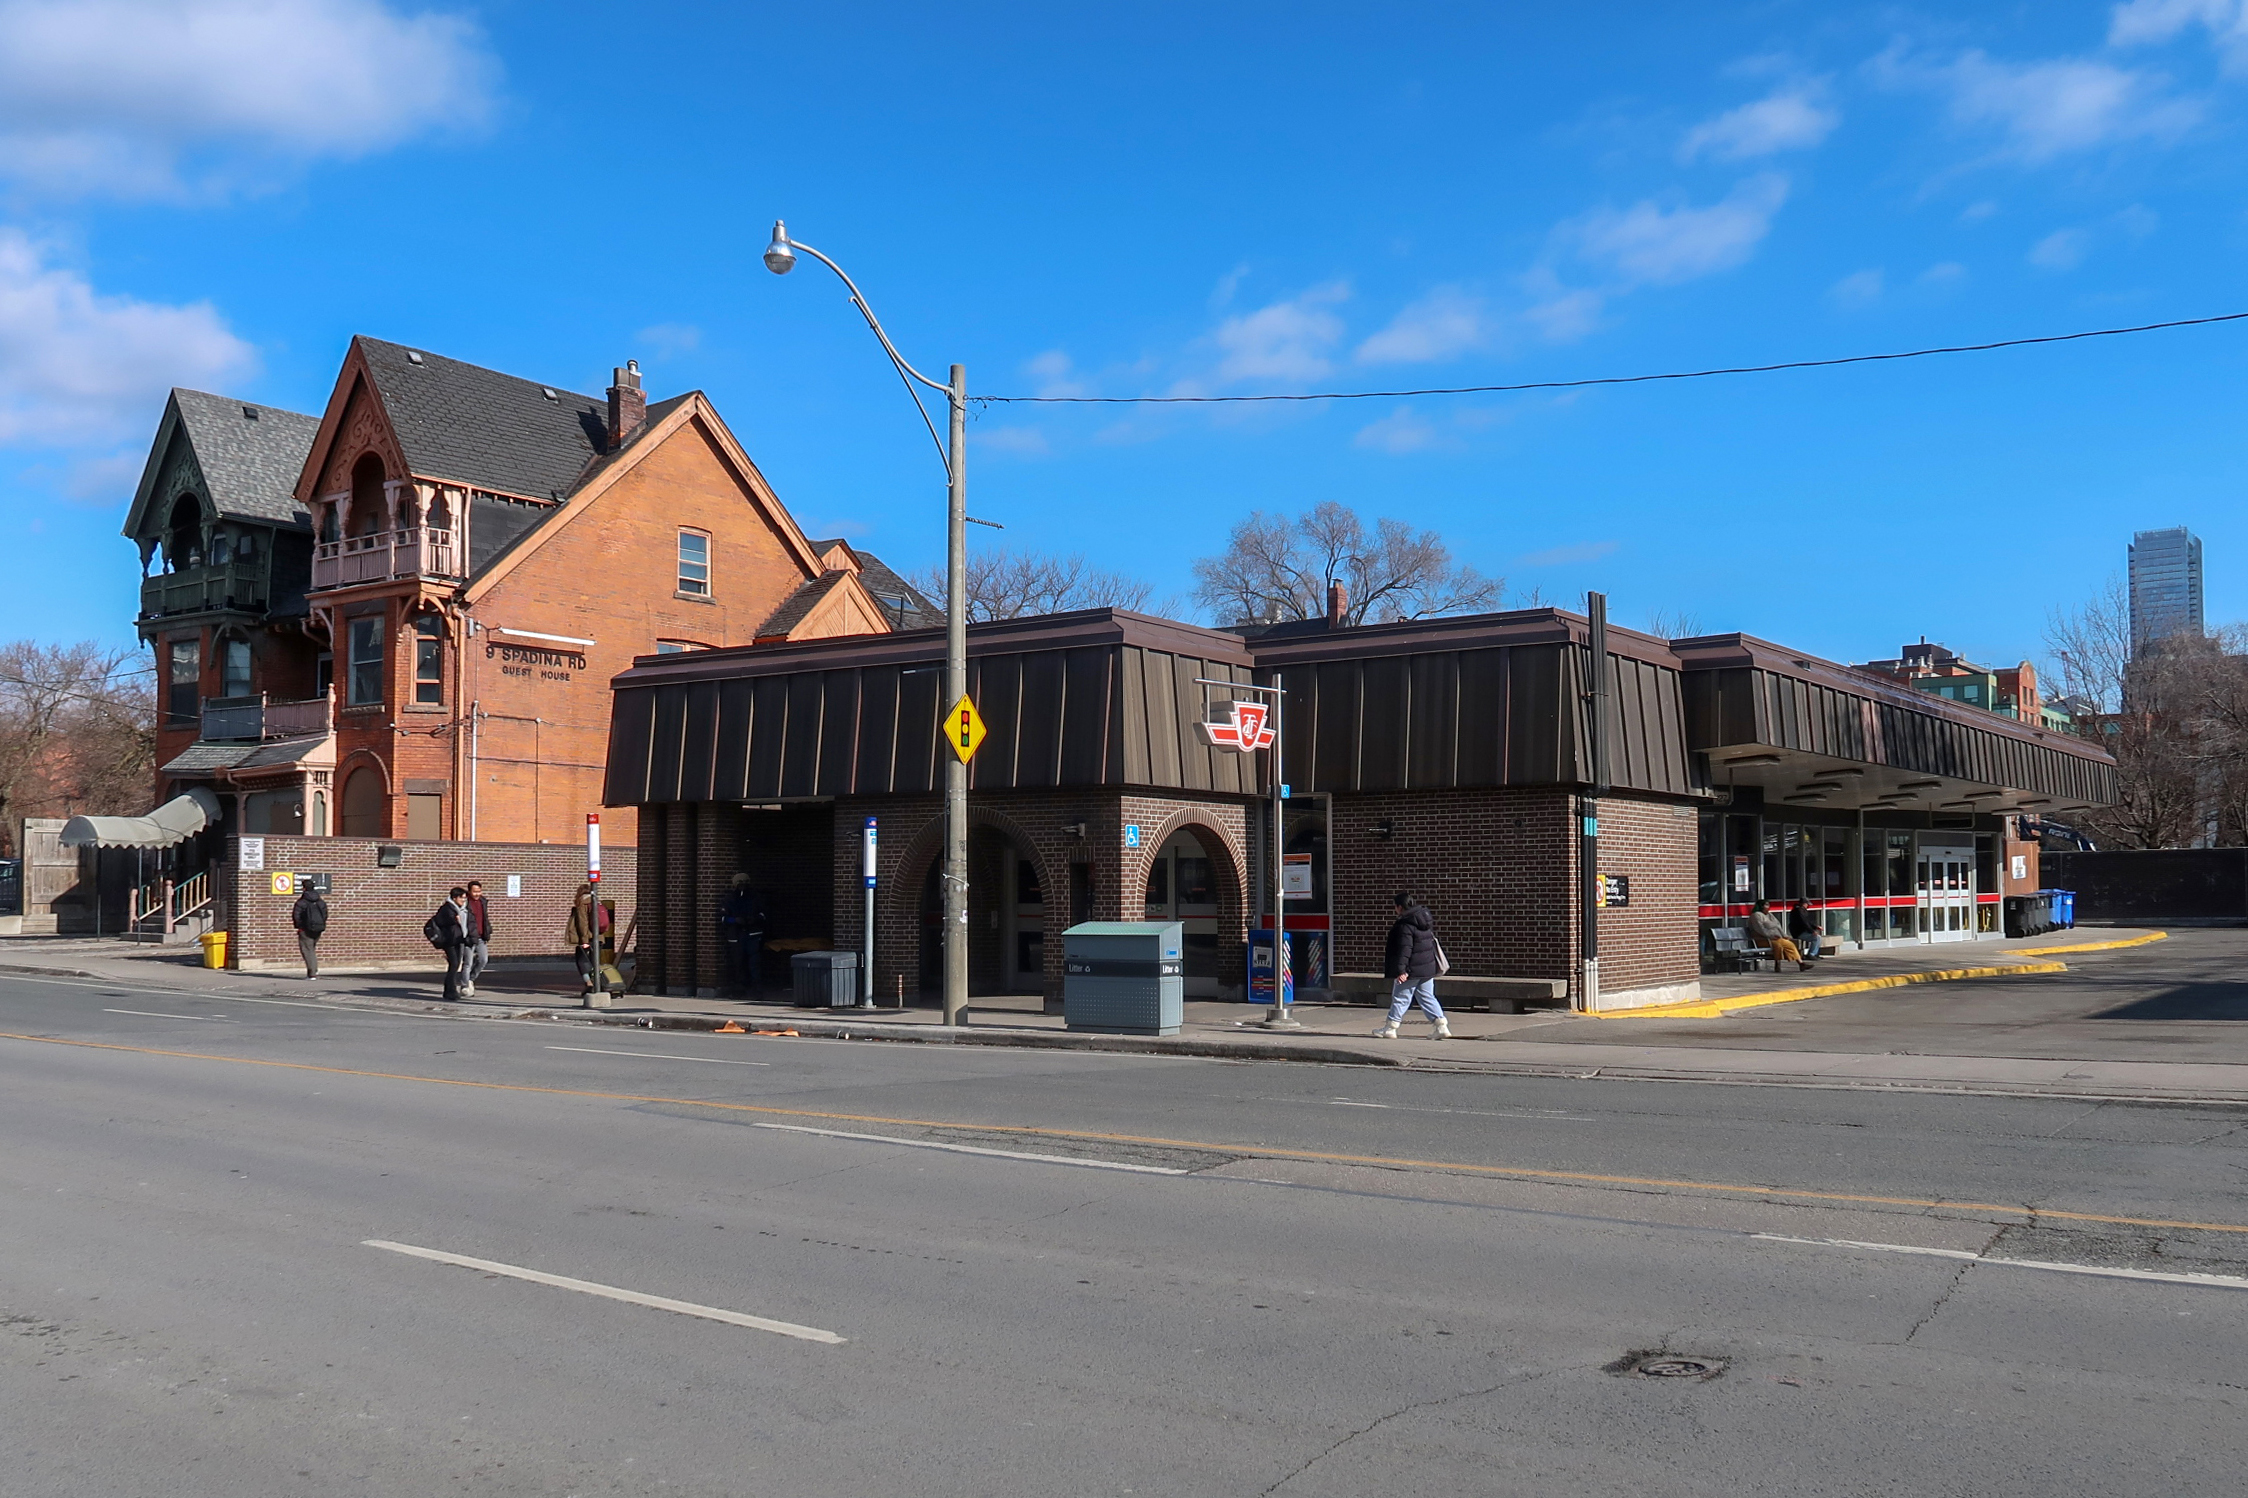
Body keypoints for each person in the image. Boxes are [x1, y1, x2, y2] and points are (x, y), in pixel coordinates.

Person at [1376, 891, 1450, 1040]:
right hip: (1427, 967)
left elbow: (1405, 949)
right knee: (1427, 996)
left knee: (1400, 997)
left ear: (1399, 907)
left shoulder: (1405, 924)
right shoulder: (1423, 921)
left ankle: (1390, 1028)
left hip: (1412, 969)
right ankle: (1441, 1026)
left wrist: (1401, 970)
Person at [717, 874, 769, 996]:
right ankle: (740, 988)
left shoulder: (756, 898)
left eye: (744, 882)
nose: (742, 885)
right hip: (736, 936)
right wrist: (735, 920)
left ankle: (756, 988)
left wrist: (754, 919)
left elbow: (764, 914)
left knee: (754, 963)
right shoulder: (729, 899)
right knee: (739, 963)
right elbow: (723, 919)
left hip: (753, 935)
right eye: (739, 883)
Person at [426, 886, 470, 1000]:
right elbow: (441, 921)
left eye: (465, 899)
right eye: (461, 898)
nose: (463, 901)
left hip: (458, 939)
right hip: (449, 940)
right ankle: (450, 990)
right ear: (454, 898)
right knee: (454, 964)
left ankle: (450, 990)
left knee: (455, 965)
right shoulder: (447, 908)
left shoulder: (461, 909)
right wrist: (454, 919)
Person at [1745, 899, 1813, 972]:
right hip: (1762, 939)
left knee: (1790, 944)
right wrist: (1770, 936)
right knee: (1778, 945)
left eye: (1768, 905)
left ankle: (1801, 964)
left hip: (1776, 938)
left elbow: (1778, 926)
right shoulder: (1756, 915)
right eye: (1766, 905)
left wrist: (1784, 935)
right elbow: (1760, 929)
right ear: (1761, 906)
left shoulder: (1769, 915)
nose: (1768, 907)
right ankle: (1777, 964)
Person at [566, 883, 608, 995]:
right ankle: (599, 984)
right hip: (599, 937)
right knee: (595, 962)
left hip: (588, 938)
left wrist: (584, 941)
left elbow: (582, 924)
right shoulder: (596, 902)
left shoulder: (582, 903)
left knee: (582, 961)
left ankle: (589, 984)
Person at [460, 879, 494, 997]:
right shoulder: (465, 903)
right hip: (469, 937)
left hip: (480, 936)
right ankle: (465, 986)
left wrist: (487, 930)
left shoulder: (483, 902)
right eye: (474, 891)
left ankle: (471, 979)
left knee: (483, 959)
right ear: (469, 891)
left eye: (479, 891)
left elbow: (484, 918)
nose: (477, 894)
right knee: (467, 963)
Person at [290, 880, 328, 979]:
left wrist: (300, 926)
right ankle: (313, 970)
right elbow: (325, 915)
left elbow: (296, 915)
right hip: (318, 928)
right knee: (311, 949)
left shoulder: (301, 902)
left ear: (303, 888)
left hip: (305, 929)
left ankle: (312, 973)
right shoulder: (320, 901)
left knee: (307, 950)